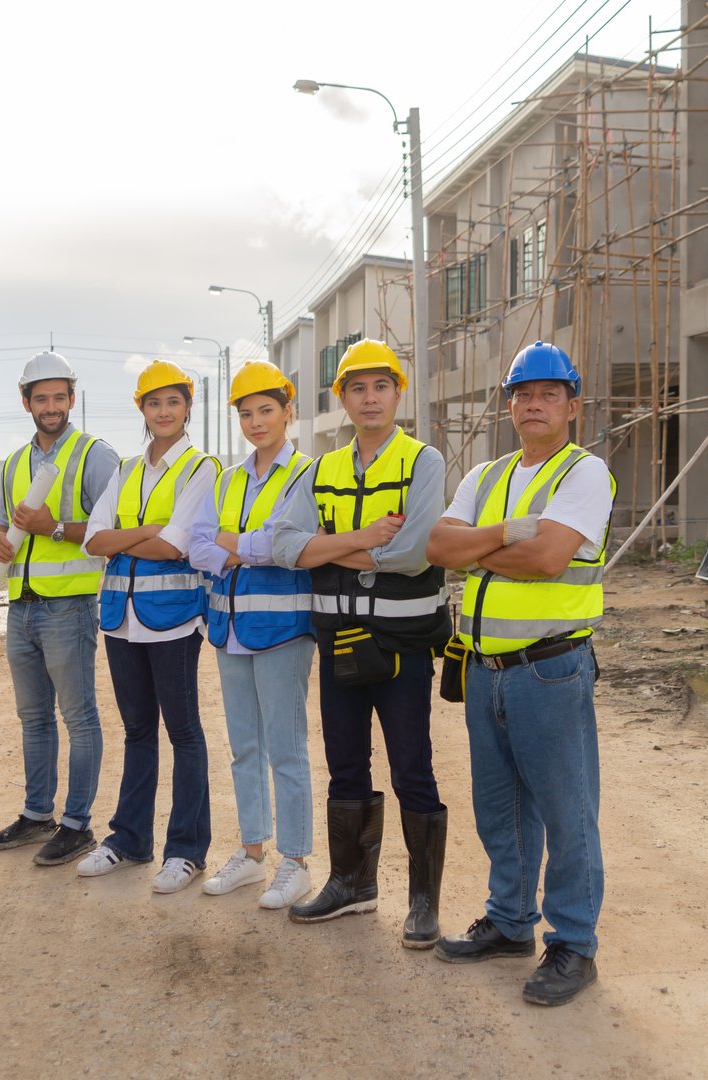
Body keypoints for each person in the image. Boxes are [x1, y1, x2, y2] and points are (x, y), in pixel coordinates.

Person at [424, 342, 613, 1007]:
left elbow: (549, 559)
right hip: (485, 670)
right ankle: (509, 922)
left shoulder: (584, 473)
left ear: (571, 406)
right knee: (499, 808)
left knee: (567, 811)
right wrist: (509, 535)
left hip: (550, 669)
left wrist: (479, 546)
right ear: (509, 405)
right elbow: (438, 546)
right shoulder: (486, 475)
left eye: (548, 394)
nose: (534, 404)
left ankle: (574, 944)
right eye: (523, 394)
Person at [272, 338, 452, 948]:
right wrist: (364, 537)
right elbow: (284, 547)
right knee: (345, 765)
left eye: (380, 386)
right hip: (340, 644)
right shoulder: (318, 470)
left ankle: (423, 902)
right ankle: (351, 883)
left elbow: (414, 552)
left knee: (412, 769)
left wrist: (328, 546)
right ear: (341, 399)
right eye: (357, 388)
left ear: (398, 393)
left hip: (402, 646)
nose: (369, 398)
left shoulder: (422, 461)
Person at [79, 360, 217, 894]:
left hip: (173, 620)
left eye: (173, 402)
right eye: (154, 403)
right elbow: (93, 540)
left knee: (184, 733)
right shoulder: (125, 469)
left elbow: (175, 545)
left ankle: (186, 850)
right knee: (137, 732)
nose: (164, 412)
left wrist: (127, 537)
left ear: (187, 408)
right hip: (121, 620)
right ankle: (130, 839)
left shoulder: (201, 468)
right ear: (141, 408)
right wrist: (147, 530)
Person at [0, 351, 119, 866]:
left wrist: (54, 528)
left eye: (60, 397)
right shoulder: (15, 462)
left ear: (72, 399)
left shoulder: (94, 455)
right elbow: (4, 521)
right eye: (42, 398)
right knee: (33, 718)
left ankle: (77, 825)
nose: (51, 406)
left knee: (78, 718)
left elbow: (113, 529)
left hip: (70, 607)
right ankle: (37, 815)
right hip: (21, 606)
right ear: (27, 403)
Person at [189, 360, 318, 910]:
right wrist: (245, 546)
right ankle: (251, 852)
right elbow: (197, 545)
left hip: (283, 630)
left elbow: (287, 545)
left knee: (286, 748)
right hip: (230, 630)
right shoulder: (227, 479)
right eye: (246, 413)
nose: (256, 421)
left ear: (289, 412)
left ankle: (296, 861)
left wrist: (233, 543)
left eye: (267, 410)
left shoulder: (306, 474)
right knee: (244, 748)